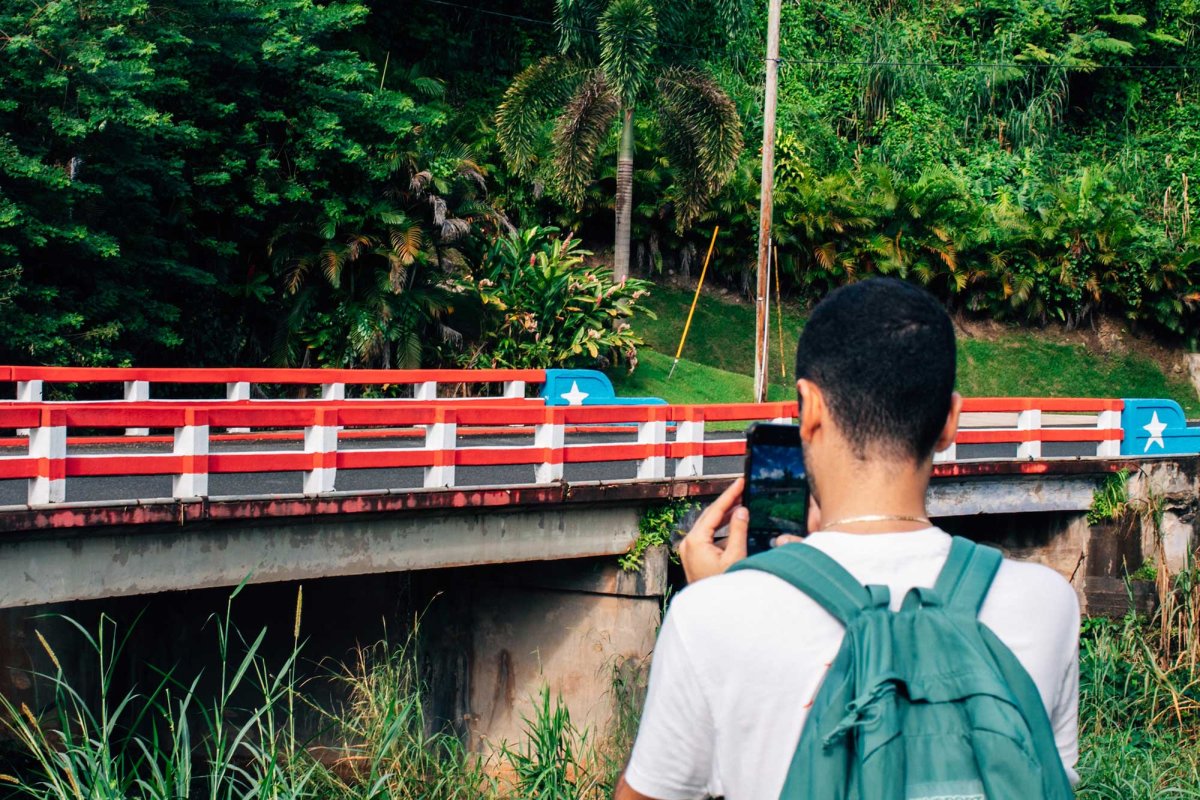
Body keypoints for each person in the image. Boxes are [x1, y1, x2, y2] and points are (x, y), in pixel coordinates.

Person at [614, 278, 1080, 800]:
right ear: (950, 421)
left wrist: (723, 594)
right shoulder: (1046, 605)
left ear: (808, 409)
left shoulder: (712, 618)